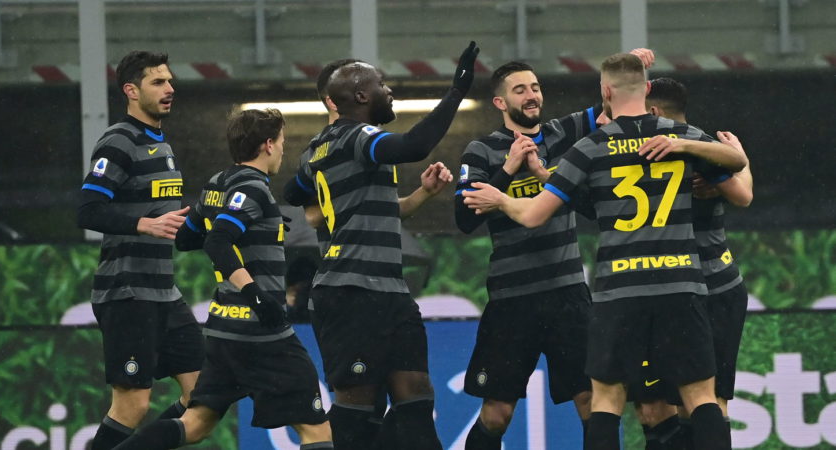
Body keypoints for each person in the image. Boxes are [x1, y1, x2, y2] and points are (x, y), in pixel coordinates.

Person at [462, 52, 748, 450]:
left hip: (620, 292)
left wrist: (503, 200)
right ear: (647, 89)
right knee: (702, 397)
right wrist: (686, 143)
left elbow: (534, 215)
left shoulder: (589, 147)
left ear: (605, 92)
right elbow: (740, 178)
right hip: (680, 284)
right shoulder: (680, 137)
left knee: (605, 401)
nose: (532, 95)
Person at [283, 41, 479, 450]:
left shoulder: (315, 150)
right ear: (360, 96)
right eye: (382, 84)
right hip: (351, 294)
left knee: (417, 401)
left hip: (390, 294)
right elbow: (413, 147)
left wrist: (421, 194)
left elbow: (294, 190)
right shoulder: (359, 137)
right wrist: (456, 92)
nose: (389, 91)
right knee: (358, 412)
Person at [113, 108, 333, 450]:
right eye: (282, 141)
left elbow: (188, 238)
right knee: (316, 431)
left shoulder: (217, 183)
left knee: (195, 425)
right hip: (262, 333)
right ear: (268, 145)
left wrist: (261, 228)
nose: (282, 149)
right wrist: (256, 294)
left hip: (222, 331)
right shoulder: (253, 187)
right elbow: (218, 241)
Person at [453, 60, 602, 449]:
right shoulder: (481, 150)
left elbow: (614, 104)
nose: (531, 95)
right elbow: (464, 220)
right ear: (500, 102)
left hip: (568, 295)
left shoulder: (563, 133)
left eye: (535, 87)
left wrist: (633, 66)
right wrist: (507, 169)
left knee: (593, 403)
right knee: (497, 415)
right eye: (519, 90)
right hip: (512, 301)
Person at [77, 51, 204, 450]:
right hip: (128, 292)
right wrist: (143, 224)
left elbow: (166, 218)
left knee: (203, 395)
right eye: (158, 82)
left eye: (170, 80)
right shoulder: (120, 140)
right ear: (131, 91)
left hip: (164, 293)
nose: (170, 89)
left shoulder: (160, 144)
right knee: (132, 405)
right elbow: (88, 209)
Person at [629, 77, 753, 449]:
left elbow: (742, 196)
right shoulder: (702, 147)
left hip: (708, 287)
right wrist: (741, 161)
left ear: (653, 111)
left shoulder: (694, 148)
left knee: (704, 401)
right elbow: (744, 192)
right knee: (664, 406)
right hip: (672, 290)